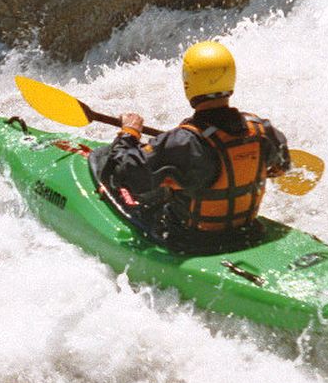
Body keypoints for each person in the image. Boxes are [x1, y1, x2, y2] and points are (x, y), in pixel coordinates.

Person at [92, 40, 292, 253]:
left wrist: (129, 133)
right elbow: (282, 166)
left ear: (189, 83)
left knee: (106, 162)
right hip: (245, 231)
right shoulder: (262, 130)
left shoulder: (184, 142)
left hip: (192, 240)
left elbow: (121, 173)